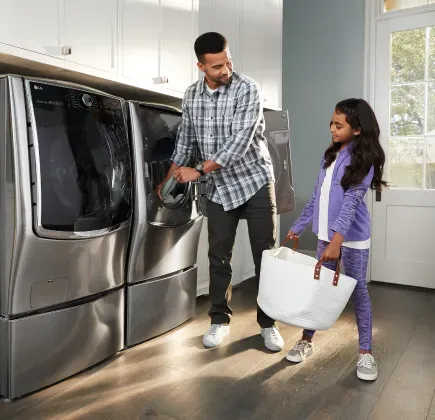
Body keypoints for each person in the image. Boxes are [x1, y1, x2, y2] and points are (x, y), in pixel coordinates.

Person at [156, 32, 284, 351]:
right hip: (218, 188)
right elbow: (186, 141)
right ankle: (219, 321)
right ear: (201, 66)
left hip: (254, 181)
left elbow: (239, 143)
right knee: (218, 256)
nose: (225, 69)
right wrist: (170, 177)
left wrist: (197, 170)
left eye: (227, 61)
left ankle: (268, 324)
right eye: (216, 66)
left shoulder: (248, 89)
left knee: (265, 255)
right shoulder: (192, 96)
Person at [286, 98, 386, 381]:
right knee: (320, 289)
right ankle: (307, 340)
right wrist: (300, 224)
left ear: (356, 129)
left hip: (352, 237)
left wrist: (336, 242)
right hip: (325, 234)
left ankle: (365, 352)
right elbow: (318, 195)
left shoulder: (363, 160)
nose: (331, 128)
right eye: (331, 122)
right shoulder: (329, 155)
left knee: (357, 294)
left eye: (338, 124)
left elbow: (352, 202)